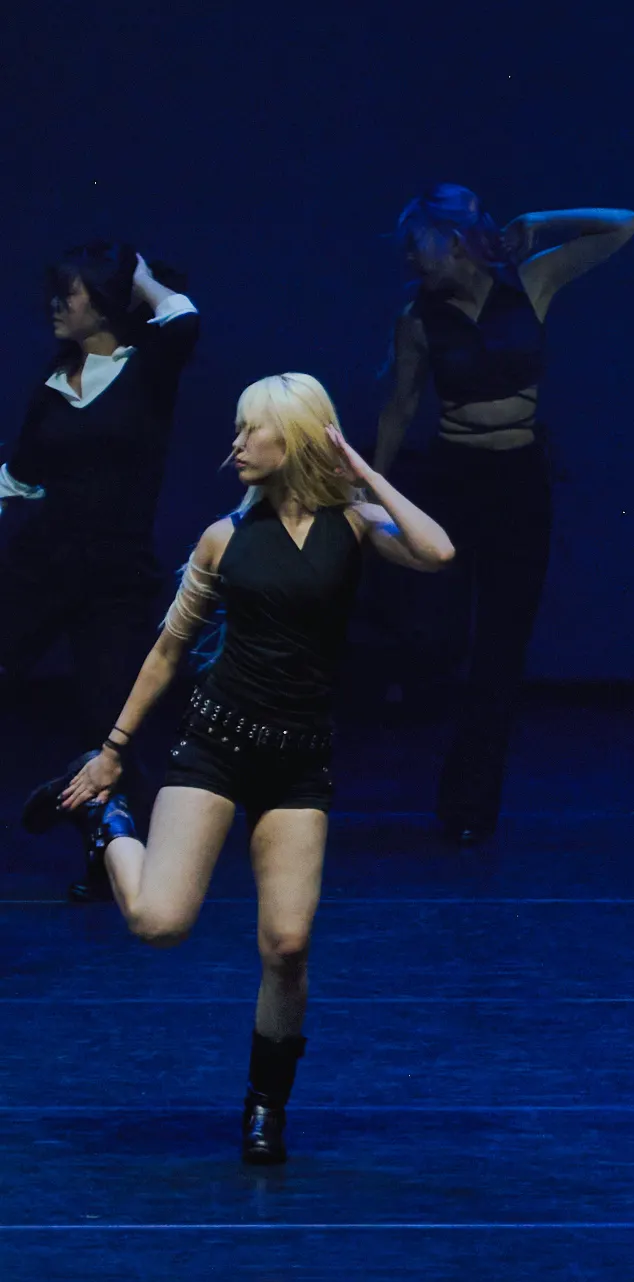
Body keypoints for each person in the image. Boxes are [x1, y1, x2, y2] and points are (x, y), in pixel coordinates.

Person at [25, 374, 454, 1164]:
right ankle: (108, 824)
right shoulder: (223, 537)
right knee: (159, 922)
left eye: (250, 429)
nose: (235, 444)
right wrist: (113, 751)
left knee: (287, 944)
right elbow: (168, 650)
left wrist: (362, 470)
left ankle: (265, 1105)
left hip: (298, 760)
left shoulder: (354, 524)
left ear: (295, 437)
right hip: (216, 745)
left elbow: (438, 550)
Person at [374, 183, 634, 842]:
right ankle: (436, 767)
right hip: (452, 482)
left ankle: (470, 807)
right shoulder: (417, 318)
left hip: (518, 483)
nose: (409, 258)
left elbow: (623, 224)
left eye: (417, 244)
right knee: (440, 637)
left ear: (452, 241)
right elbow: (400, 407)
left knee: (501, 646)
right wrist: (370, 486)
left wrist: (541, 219)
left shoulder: (531, 281)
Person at [2, 243, 198, 896]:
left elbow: (184, 320)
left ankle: (111, 858)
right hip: (40, 568)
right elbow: (21, 475)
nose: (56, 304)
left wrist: (142, 278)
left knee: (109, 722)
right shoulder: (54, 384)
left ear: (108, 301)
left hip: (114, 578)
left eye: (73, 291)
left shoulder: (147, 370)